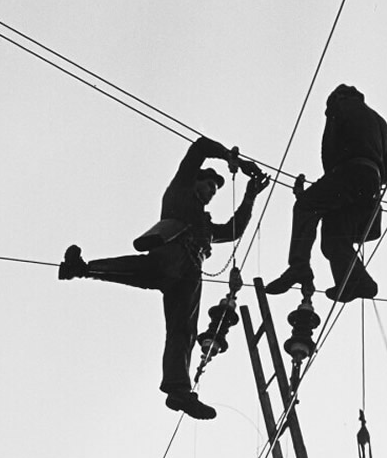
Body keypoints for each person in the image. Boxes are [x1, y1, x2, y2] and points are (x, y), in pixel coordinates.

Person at [59, 137, 268, 420]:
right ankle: (81, 268)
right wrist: (234, 160)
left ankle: (179, 391)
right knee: (141, 269)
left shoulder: (205, 225)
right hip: (172, 257)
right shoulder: (179, 193)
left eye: (214, 191)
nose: (210, 192)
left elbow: (232, 231)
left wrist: (251, 195)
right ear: (195, 181)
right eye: (208, 185)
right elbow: (200, 147)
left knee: (184, 332)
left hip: (191, 274)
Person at [265, 84, 387, 302]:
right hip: (370, 181)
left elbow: (329, 152)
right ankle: (358, 281)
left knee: (305, 205)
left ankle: (299, 267)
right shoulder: (380, 122)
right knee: (334, 236)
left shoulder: (339, 107)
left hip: (348, 172)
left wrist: (316, 191)